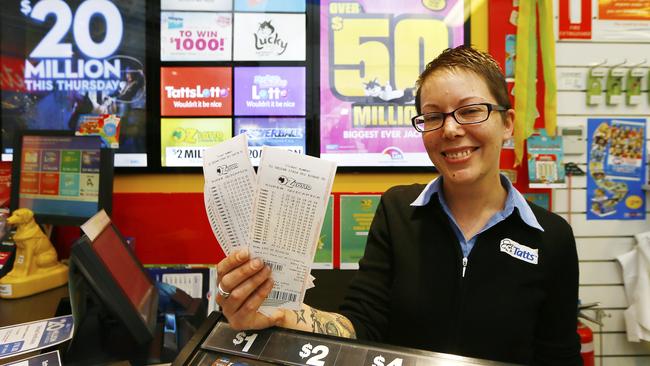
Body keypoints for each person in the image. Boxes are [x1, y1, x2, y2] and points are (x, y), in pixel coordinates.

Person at [215, 45, 581, 365]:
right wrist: (278, 315)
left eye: (470, 111)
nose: (451, 130)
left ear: (508, 123)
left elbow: (558, 356)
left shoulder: (551, 237)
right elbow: (362, 323)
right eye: (434, 116)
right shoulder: (398, 209)